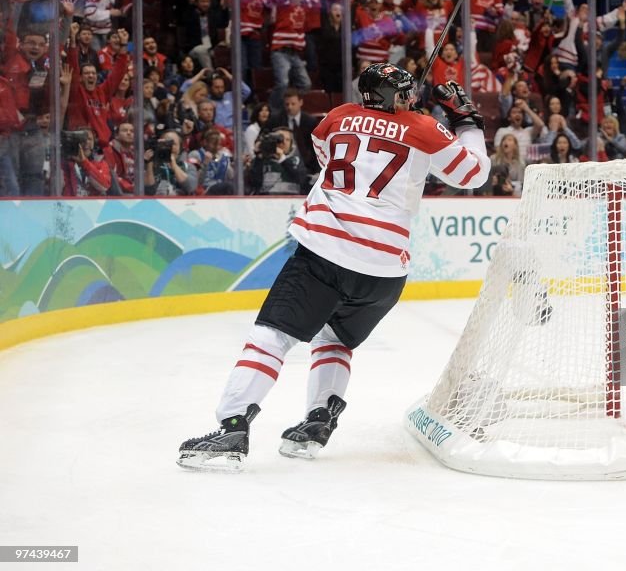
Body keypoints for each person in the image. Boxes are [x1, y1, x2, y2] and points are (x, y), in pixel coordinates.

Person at [177, 65, 489, 471]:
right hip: (385, 272)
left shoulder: (337, 117)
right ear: (395, 97)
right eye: (406, 94)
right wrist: (466, 122)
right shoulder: (424, 127)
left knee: (270, 337)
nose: (411, 98)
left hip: (326, 252)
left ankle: (233, 426)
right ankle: (318, 420)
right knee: (334, 339)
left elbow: (326, 155)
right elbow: (474, 174)